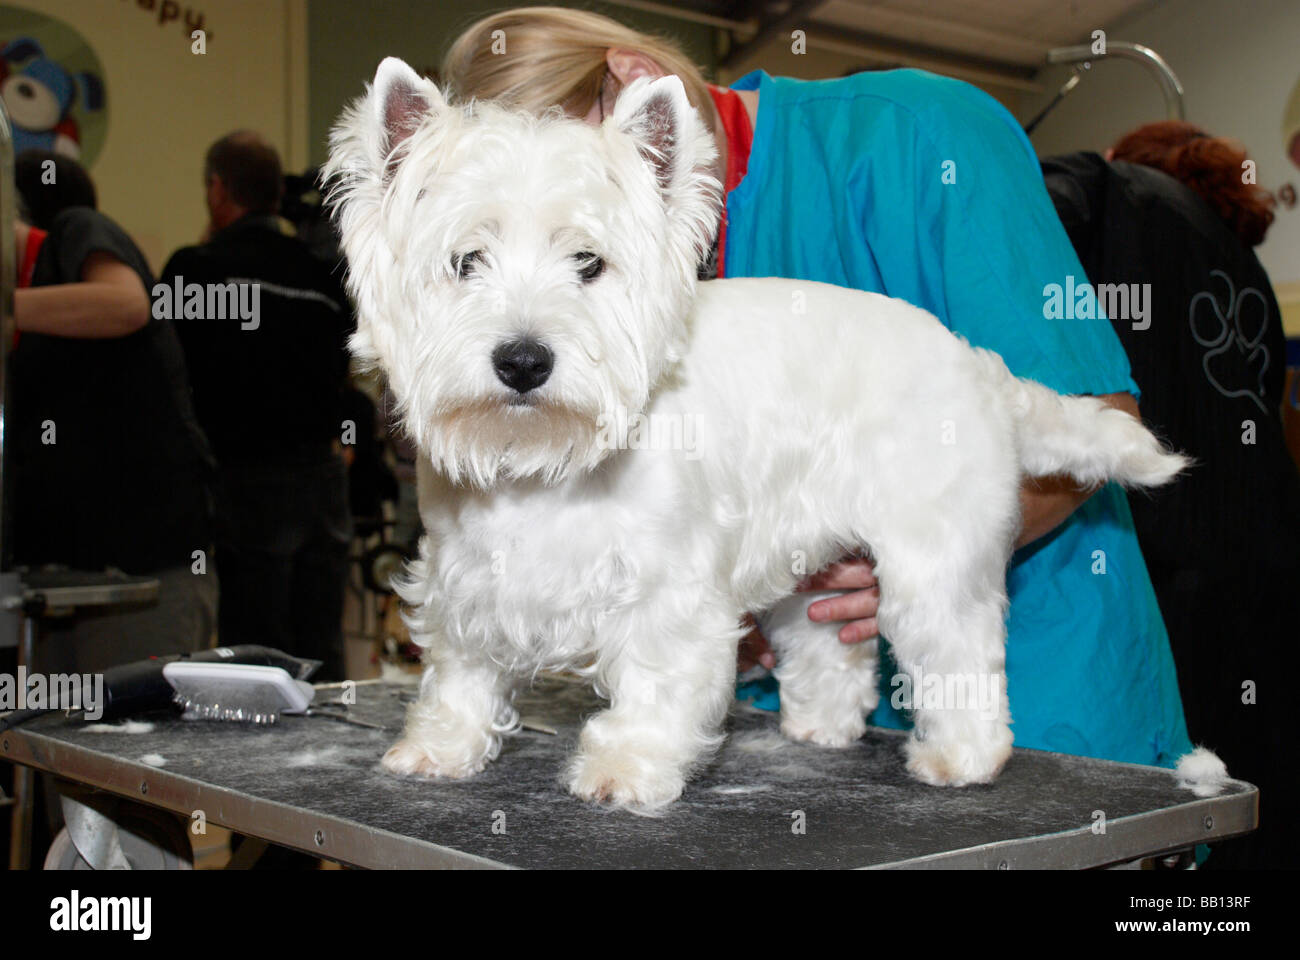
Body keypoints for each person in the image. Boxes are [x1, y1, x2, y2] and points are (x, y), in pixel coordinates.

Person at [439, 7, 1195, 770]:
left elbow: (1097, 414)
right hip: (790, 743)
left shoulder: (924, 135)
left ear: (640, 88)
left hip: (1054, 722)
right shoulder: (657, 262)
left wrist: (908, 559)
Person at [1042, 123, 1300, 869]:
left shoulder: (1110, 185)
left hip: (1164, 553)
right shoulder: (1246, 266)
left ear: (1129, 157)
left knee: (1155, 796)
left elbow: (1017, 217)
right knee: (1241, 790)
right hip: (1262, 561)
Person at [10, 151, 218, 672]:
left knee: (135, 739)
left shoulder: (75, 231)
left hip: (144, 573)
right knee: (52, 743)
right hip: (64, 577)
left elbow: (126, 304)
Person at [161, 132, 354, 681]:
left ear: (218, 189)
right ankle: (334, 755)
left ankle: (256, 763)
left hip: (241, 479)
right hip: (322, 477)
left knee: (254, 648)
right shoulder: (322, 276)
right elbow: (344, 369)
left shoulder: (195, 269)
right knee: (321, 643)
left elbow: (167, 368)